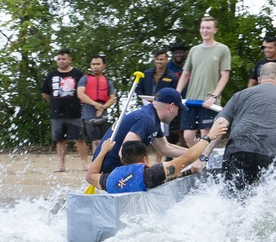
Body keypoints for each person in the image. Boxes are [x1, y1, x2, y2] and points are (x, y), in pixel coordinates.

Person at [214, 62, 276, 188]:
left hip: (239, 148)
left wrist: (203, 157)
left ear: (259, 80)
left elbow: (220, 124)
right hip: (275, 151)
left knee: (233, 197)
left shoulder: (239, 95)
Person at [87, 119, 228, 193]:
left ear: (122, 159)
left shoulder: (108, 179)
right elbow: (187, 159)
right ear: (143, 159)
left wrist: (103, 151)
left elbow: (90, 175)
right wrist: (209, 137)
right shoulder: (151, 174)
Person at [91, 88, 190, 175]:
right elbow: (124, 154)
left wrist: (196, 153)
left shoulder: (152, 117)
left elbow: (165, 148)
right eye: (178, 110)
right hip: (108, 170)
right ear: (171, 106)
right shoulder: (146, 120)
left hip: (113, 167)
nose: (177, 114)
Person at [176, 17, 231, 147]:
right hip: (191, 100)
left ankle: (205, 161)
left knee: (205, 134)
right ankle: (199, 159)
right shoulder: (194, 50)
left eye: (208, 28)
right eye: (202, 27)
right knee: (188, 136)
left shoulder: (222, 49)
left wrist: (214, 96)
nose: (205, 30)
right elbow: (185, 73)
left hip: (209, 101)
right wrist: (176, 93)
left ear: (215, 30)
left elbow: (225, 75)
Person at [41, 49, 86, 172]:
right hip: (57, 113)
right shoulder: (51, 75)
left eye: (64, 59)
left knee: (80, 139)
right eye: (59, 59)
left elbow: (84, 90)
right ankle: (61, 165)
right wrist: (55, 102)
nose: (61, 61)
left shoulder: (78, 74)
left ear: (69, 59)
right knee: (59, 140)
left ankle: (85, 164)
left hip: (75, 112)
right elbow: (45, 93)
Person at [77, 54, 115, 153]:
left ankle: (104, 163)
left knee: (105, 140)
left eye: (98, 64)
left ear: (103, 66)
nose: (95, 66)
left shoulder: (108, 81)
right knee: (96, 140)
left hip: (103, 112)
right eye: (93, 64)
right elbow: (80, 94)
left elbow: (112, 98)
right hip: (89, 112)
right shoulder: (85, 79)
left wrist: (102, 107)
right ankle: (95, 162)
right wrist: (95, 104)